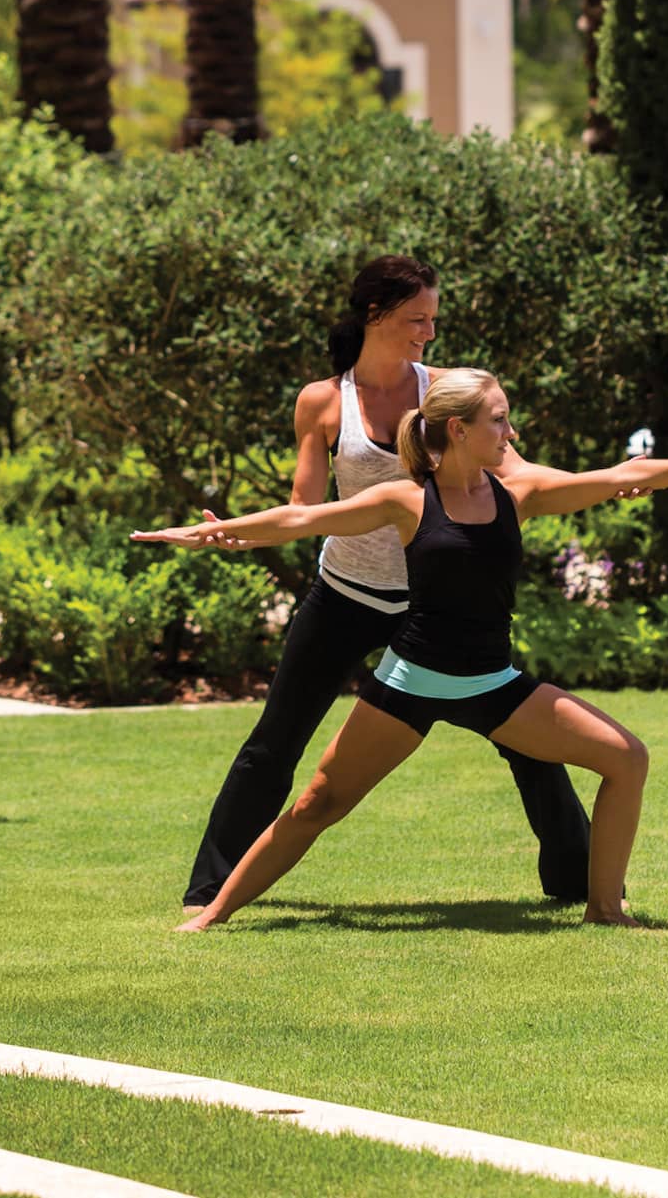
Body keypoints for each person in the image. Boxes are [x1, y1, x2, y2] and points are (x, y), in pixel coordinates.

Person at [138, 366, 668, 930]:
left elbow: (618, 475)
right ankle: (212, 913)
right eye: (499, 421)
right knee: (317, 802)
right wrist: (218, 535)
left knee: (627, 759)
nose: (510, 433)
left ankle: (604, 909)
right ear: (458, 429)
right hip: (409, 680)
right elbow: (305, 519)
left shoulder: (521, 493)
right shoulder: (406, 498)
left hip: (492, 684)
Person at [182, 256, 595, 911]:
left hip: (431, 611)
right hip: (344, 595)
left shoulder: (443, 395)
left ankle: (581, 883)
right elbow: (303, 508)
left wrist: (606, 480)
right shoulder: (324, 401)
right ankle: (208, 892)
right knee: (277, 739)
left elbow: (513, 468)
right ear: (374, 314)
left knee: (529, 742)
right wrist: (236, 528)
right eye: (416, 318)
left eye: (433, 318)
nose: (427, 332)